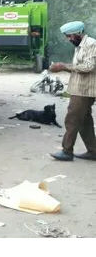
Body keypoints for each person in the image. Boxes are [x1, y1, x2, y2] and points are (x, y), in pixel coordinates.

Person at [49, 21, 96, 161]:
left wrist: (63, 66)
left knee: (72, 119)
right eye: (67, 36)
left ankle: (67, 151)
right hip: (80, 88)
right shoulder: (79, 45)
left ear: (79, 33)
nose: (68, 39)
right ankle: (93, 151)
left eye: (70, 36)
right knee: (84, 120)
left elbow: (88, 67)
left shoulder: (91, 44)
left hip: (85, 90)